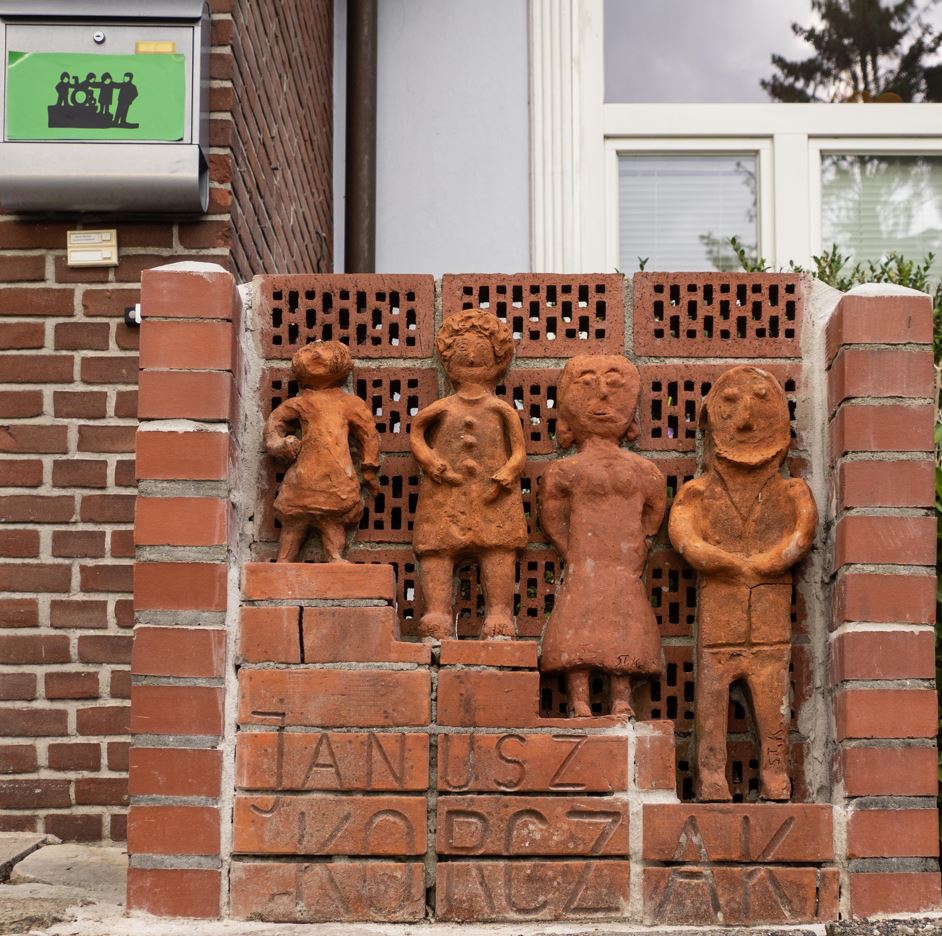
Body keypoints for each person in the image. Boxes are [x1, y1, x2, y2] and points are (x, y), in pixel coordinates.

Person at [668, 366, 817, 801]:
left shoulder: (792, 492)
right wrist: (730, 564)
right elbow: (684, 537)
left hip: (770, 621)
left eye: (761, 402)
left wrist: (769, 563)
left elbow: (801, 536)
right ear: (710, 421)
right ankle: (711, 774)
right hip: (719, 615)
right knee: (712, 695)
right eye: (730, 404)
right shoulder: (698, 492)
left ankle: (774, 771)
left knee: (771, 697)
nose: (747, 420)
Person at [539, 355, 666, 717]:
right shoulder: (564, 471)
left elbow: (654, 512)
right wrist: (576, 552)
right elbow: (554, 518)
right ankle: (579, 700)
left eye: (615, 386)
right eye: (587, 386)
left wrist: (639, 544)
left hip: (625, 568)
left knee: (625, 626)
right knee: (577, 626)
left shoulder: (645, 471)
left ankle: (621, 698)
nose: (602, 397)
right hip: (583, 565)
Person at [411, 309, 527, 640]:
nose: (472, 357)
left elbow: (518, 450)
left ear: (499, 359)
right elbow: (416, 430)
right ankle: (436, 612)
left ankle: (499, 613)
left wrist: (509, 471)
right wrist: (430, 461)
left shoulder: (501, 409)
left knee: (499, 548)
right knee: (436, 548)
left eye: (481, 350)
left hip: (493, 492)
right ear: (448, 361)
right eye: (462, 350)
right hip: (445, 489)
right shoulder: (444, 407)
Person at [264, 340, 381, 563]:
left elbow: (368, 435)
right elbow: (274, 424)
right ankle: (284, 560)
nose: (316, 353)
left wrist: (369, 467)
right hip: (303, 476)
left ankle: (335, 556)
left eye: (325, 352)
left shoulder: (350, 404)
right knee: (295, 519)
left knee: (333, 520)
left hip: (335, 477)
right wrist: (279, 444)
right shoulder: (299, 403)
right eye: (309, 351)